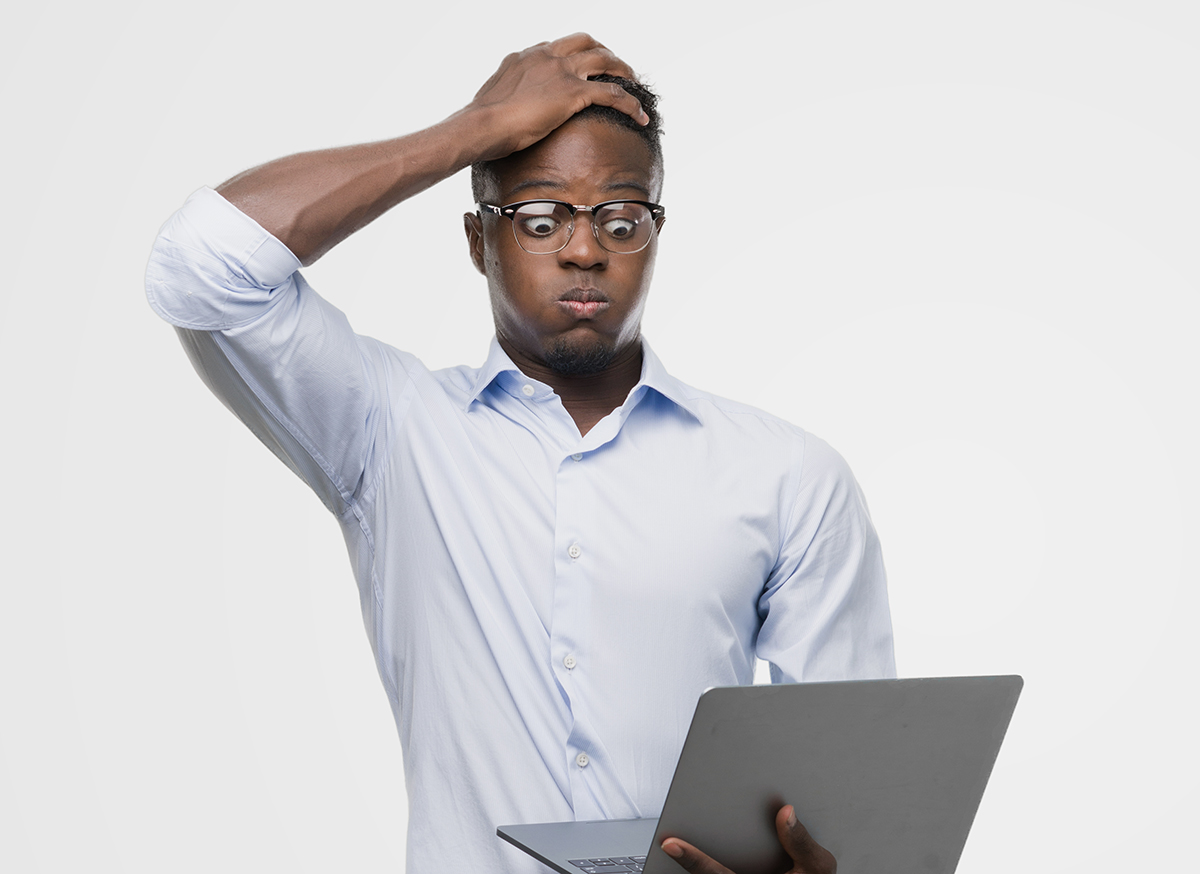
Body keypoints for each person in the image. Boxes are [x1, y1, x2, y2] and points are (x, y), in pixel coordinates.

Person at [146, 34, 895, 874]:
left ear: (655, 230)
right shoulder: (390, 429)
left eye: (621, 219)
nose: (584, 250)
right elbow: (202, 265)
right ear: (478, 241)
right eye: (540, 219)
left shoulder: (789, 476)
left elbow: (850, 802)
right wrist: (472, 130)